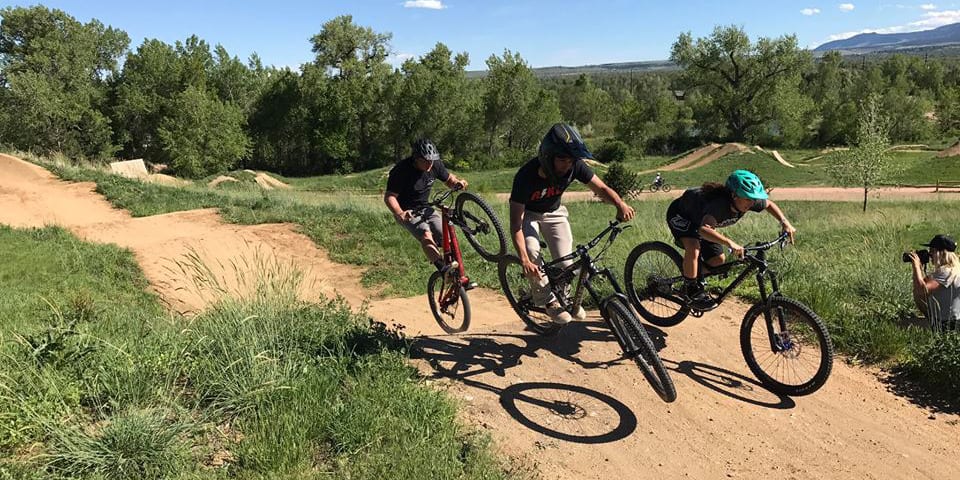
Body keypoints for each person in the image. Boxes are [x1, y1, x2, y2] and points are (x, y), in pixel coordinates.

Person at [509, 123, 636, 324]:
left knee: (567, 263)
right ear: (548, 156)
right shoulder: (525, 177)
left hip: (554, 212)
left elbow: (601, 188)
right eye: (562, 159)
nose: (567, 164)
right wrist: (524, 259)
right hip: (529, 215)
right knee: (532, 252)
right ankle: (547, 300)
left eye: (571, 160)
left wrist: (620, 204)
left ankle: (563, 296)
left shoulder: (575, 165)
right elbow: (516, 222)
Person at [666, 169, 796, 310]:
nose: (751, 203)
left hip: (703, 221)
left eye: (753, 198)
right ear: (734, 195)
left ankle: (689, 275)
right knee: (694, 247)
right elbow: (704, 230)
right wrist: (730, 243)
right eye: (747, 198)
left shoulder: (747, 201)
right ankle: (690, 288)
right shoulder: (719, 205)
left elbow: (769, 204)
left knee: (717, 260)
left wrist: (784, 222)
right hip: (682, 215)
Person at [384, 138, 468, 279]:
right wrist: (399, 213)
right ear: (416, 159)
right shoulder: (401, 171)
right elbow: (389, 197)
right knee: (426, 234)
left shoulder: (434, 164)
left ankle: (456, 275)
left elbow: (448, 179)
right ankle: (443, 270)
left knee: (445, 237)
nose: (430, 163)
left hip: (426, 207)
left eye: (432, 160)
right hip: (408, 212)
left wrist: (457, 183)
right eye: (426, 160)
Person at [908, 234, 960, 333]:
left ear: (940, 253)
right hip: (953, 322)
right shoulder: (954, 269)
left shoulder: (946, 272)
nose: (930, 255)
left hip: (946, 325)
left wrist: (916, 267)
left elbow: (921, 291)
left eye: (932, 251)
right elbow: (923, 284)